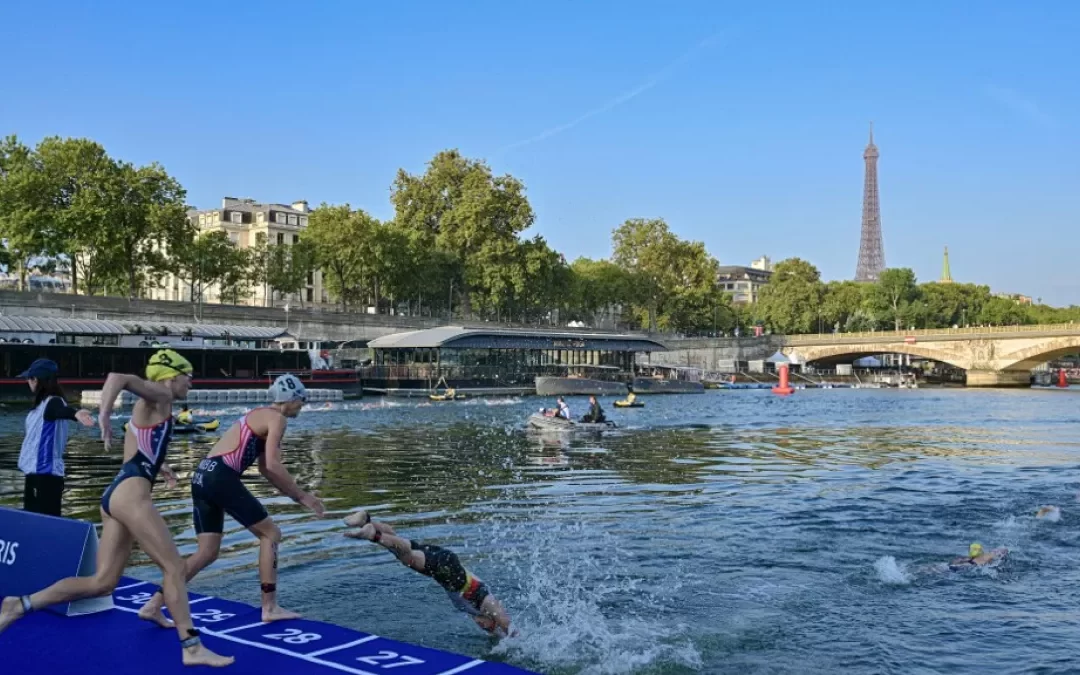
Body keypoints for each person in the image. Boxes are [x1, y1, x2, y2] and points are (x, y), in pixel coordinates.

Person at [0, 350, 233, 667]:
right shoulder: (160, 393)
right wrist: (106, 414)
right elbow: (117, 378)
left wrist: (158, 465)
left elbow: (137, 451)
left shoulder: (154, 406)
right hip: (131, 496)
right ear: (170, 375)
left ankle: (20, 605)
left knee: (102, 583)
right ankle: (192, 647)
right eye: (188, 376)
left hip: (116, 495)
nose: (191, 383)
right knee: (175, 568)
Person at [138, 374, 324, 626]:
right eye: (301, 400)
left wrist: (293, 496)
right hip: (220, 477)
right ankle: (269, 607)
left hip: (202, 475)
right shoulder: (277, 418)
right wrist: (303, 496)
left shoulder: (259, 414)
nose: (302, 405)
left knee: (206, 552)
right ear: (290, 399)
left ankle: (153, 605)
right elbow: (272, 464)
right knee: (271, 534)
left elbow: (266, 470)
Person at [343, 510, 513, 637]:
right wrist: (515, 638)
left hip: (444, 562)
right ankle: (374, 535)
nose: (482, 626)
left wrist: (497, 634)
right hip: (449, 570)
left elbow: (496, 632)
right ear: (491, 620)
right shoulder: (484, 602)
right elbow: (504, 620)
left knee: (398, 541)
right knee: (408, 557)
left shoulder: (475, 611)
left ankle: (365, 520)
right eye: (488, 627)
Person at [18, 358, 95, 516]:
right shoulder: (41, 406)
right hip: (35, 474)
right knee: (34, 522)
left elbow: (61, 411)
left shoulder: (53, 402)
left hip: (44, 475)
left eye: (30, 378)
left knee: (43, 523)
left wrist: (75, 413)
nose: (28, 382)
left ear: (37, 380)